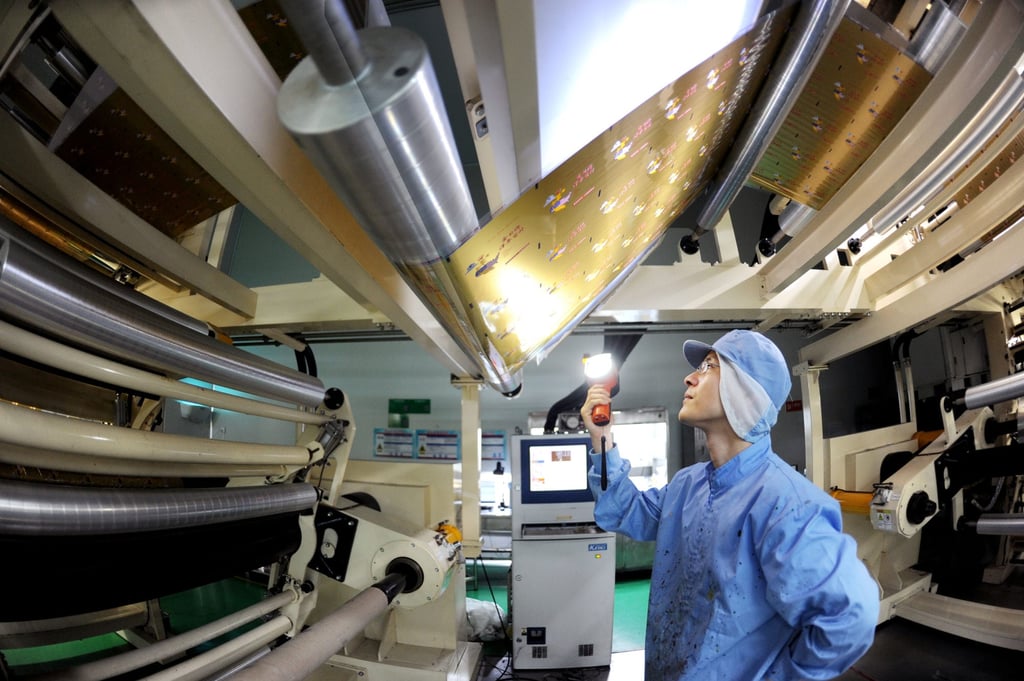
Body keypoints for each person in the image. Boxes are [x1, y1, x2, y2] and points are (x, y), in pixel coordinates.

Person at [580, 329, 879, 681]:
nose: (689, 377)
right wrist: (601, 438)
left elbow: (849, 618)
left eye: (708, 367)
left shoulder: (787, 504)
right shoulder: (687, 486)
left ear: (745, 392)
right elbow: (623, 510)